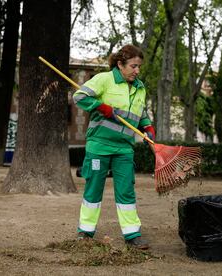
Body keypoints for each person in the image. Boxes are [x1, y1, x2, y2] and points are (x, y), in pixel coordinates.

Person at [72, 44, 155, 250]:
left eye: (139, 67)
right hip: (99, 146)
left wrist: (148, 126)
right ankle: (85, 232)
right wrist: (101, 107)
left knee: (126, 191)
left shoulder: (140, 87)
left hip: (125, 148)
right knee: (94, 188)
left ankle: (132, 234)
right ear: (120, 64)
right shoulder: (104, 80)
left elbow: (140, 111)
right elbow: (79, 97)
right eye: (133, 66)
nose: (137, 71)